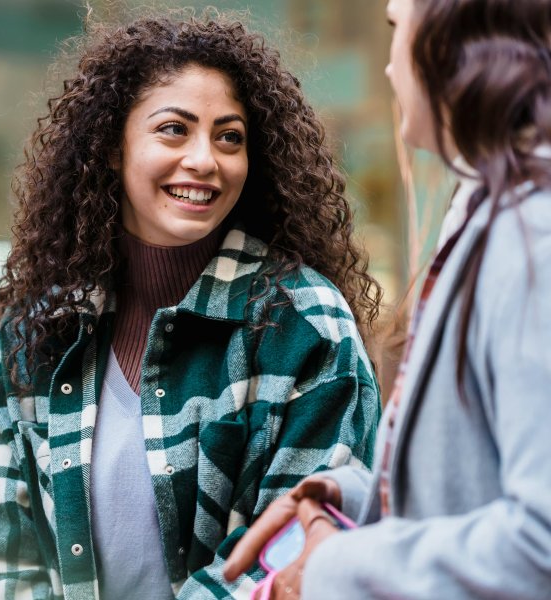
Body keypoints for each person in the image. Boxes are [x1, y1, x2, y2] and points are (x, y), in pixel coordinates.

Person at [0, 13, 383, 600]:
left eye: (230, 137)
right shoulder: (36, 332)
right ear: (110, 150)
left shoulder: (303, 323)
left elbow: (293, 554)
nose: (205, 159)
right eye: (173, 129)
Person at [224, 0, 551, 598]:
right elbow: (479, 473)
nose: (389, 69)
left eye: (396, 31)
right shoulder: (493, 216)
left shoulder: (533, 236)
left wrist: (332, 567)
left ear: (453, 42)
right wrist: (354, 496)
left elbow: (540, 545)